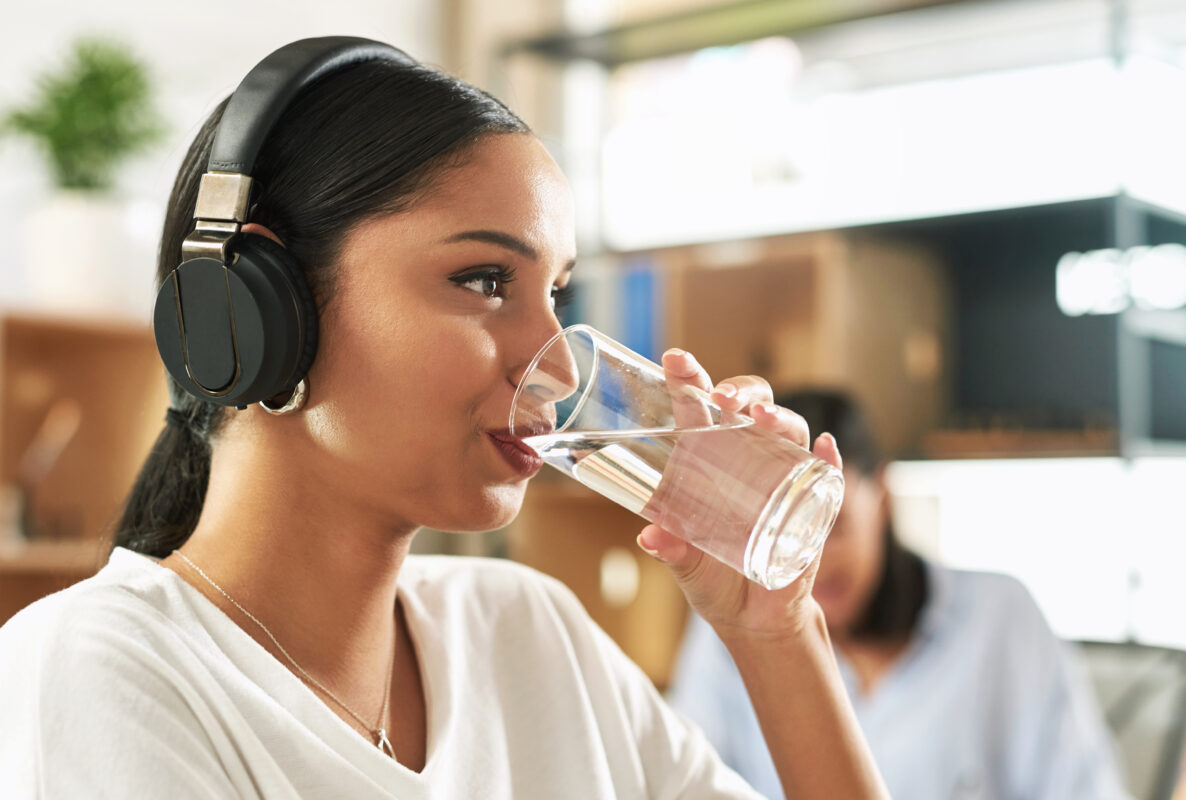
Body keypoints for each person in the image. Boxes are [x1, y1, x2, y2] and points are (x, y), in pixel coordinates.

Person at [0, 38, 888, 799]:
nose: (562, 362)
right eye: (485, 282)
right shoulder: (94, 668)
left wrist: (776, 634)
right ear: (261, 308)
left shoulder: (531, 632)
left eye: (556, 293)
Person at [668, 389, 1133, 800]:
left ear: (883, 495)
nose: (810, 562)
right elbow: (687, 779)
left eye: (831, 525)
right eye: (780, 531)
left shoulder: (1000, 618)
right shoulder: (731, 625)